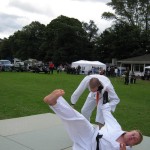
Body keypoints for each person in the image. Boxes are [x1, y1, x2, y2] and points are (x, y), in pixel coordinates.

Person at [43, 89, 143, 150]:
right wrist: (105, 97)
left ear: (133, 144)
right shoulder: (116, 127)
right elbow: (106, 112)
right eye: (133, 134)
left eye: (135, 139)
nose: (133, 137)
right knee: (80, 119)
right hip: (91, 134)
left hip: (89, 148)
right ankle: (54, 103)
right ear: (129, 132)